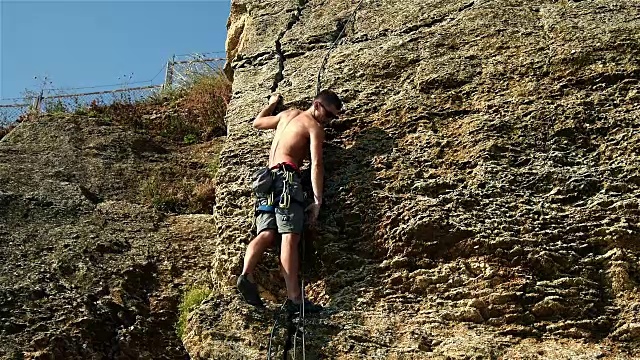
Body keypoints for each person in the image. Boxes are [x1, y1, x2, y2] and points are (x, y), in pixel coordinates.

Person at [236, 90, 343, 313]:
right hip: (287, 179)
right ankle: (295, 299)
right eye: (329, 114)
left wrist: (271, 104)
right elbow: (316, 164)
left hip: (266, 180)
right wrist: (317, 200)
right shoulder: (313, 127)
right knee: (290, 236)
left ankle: (246, 274)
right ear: (317, 105)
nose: (329, 120)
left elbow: (257, 122)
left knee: (266, 234)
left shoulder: (286, 114)